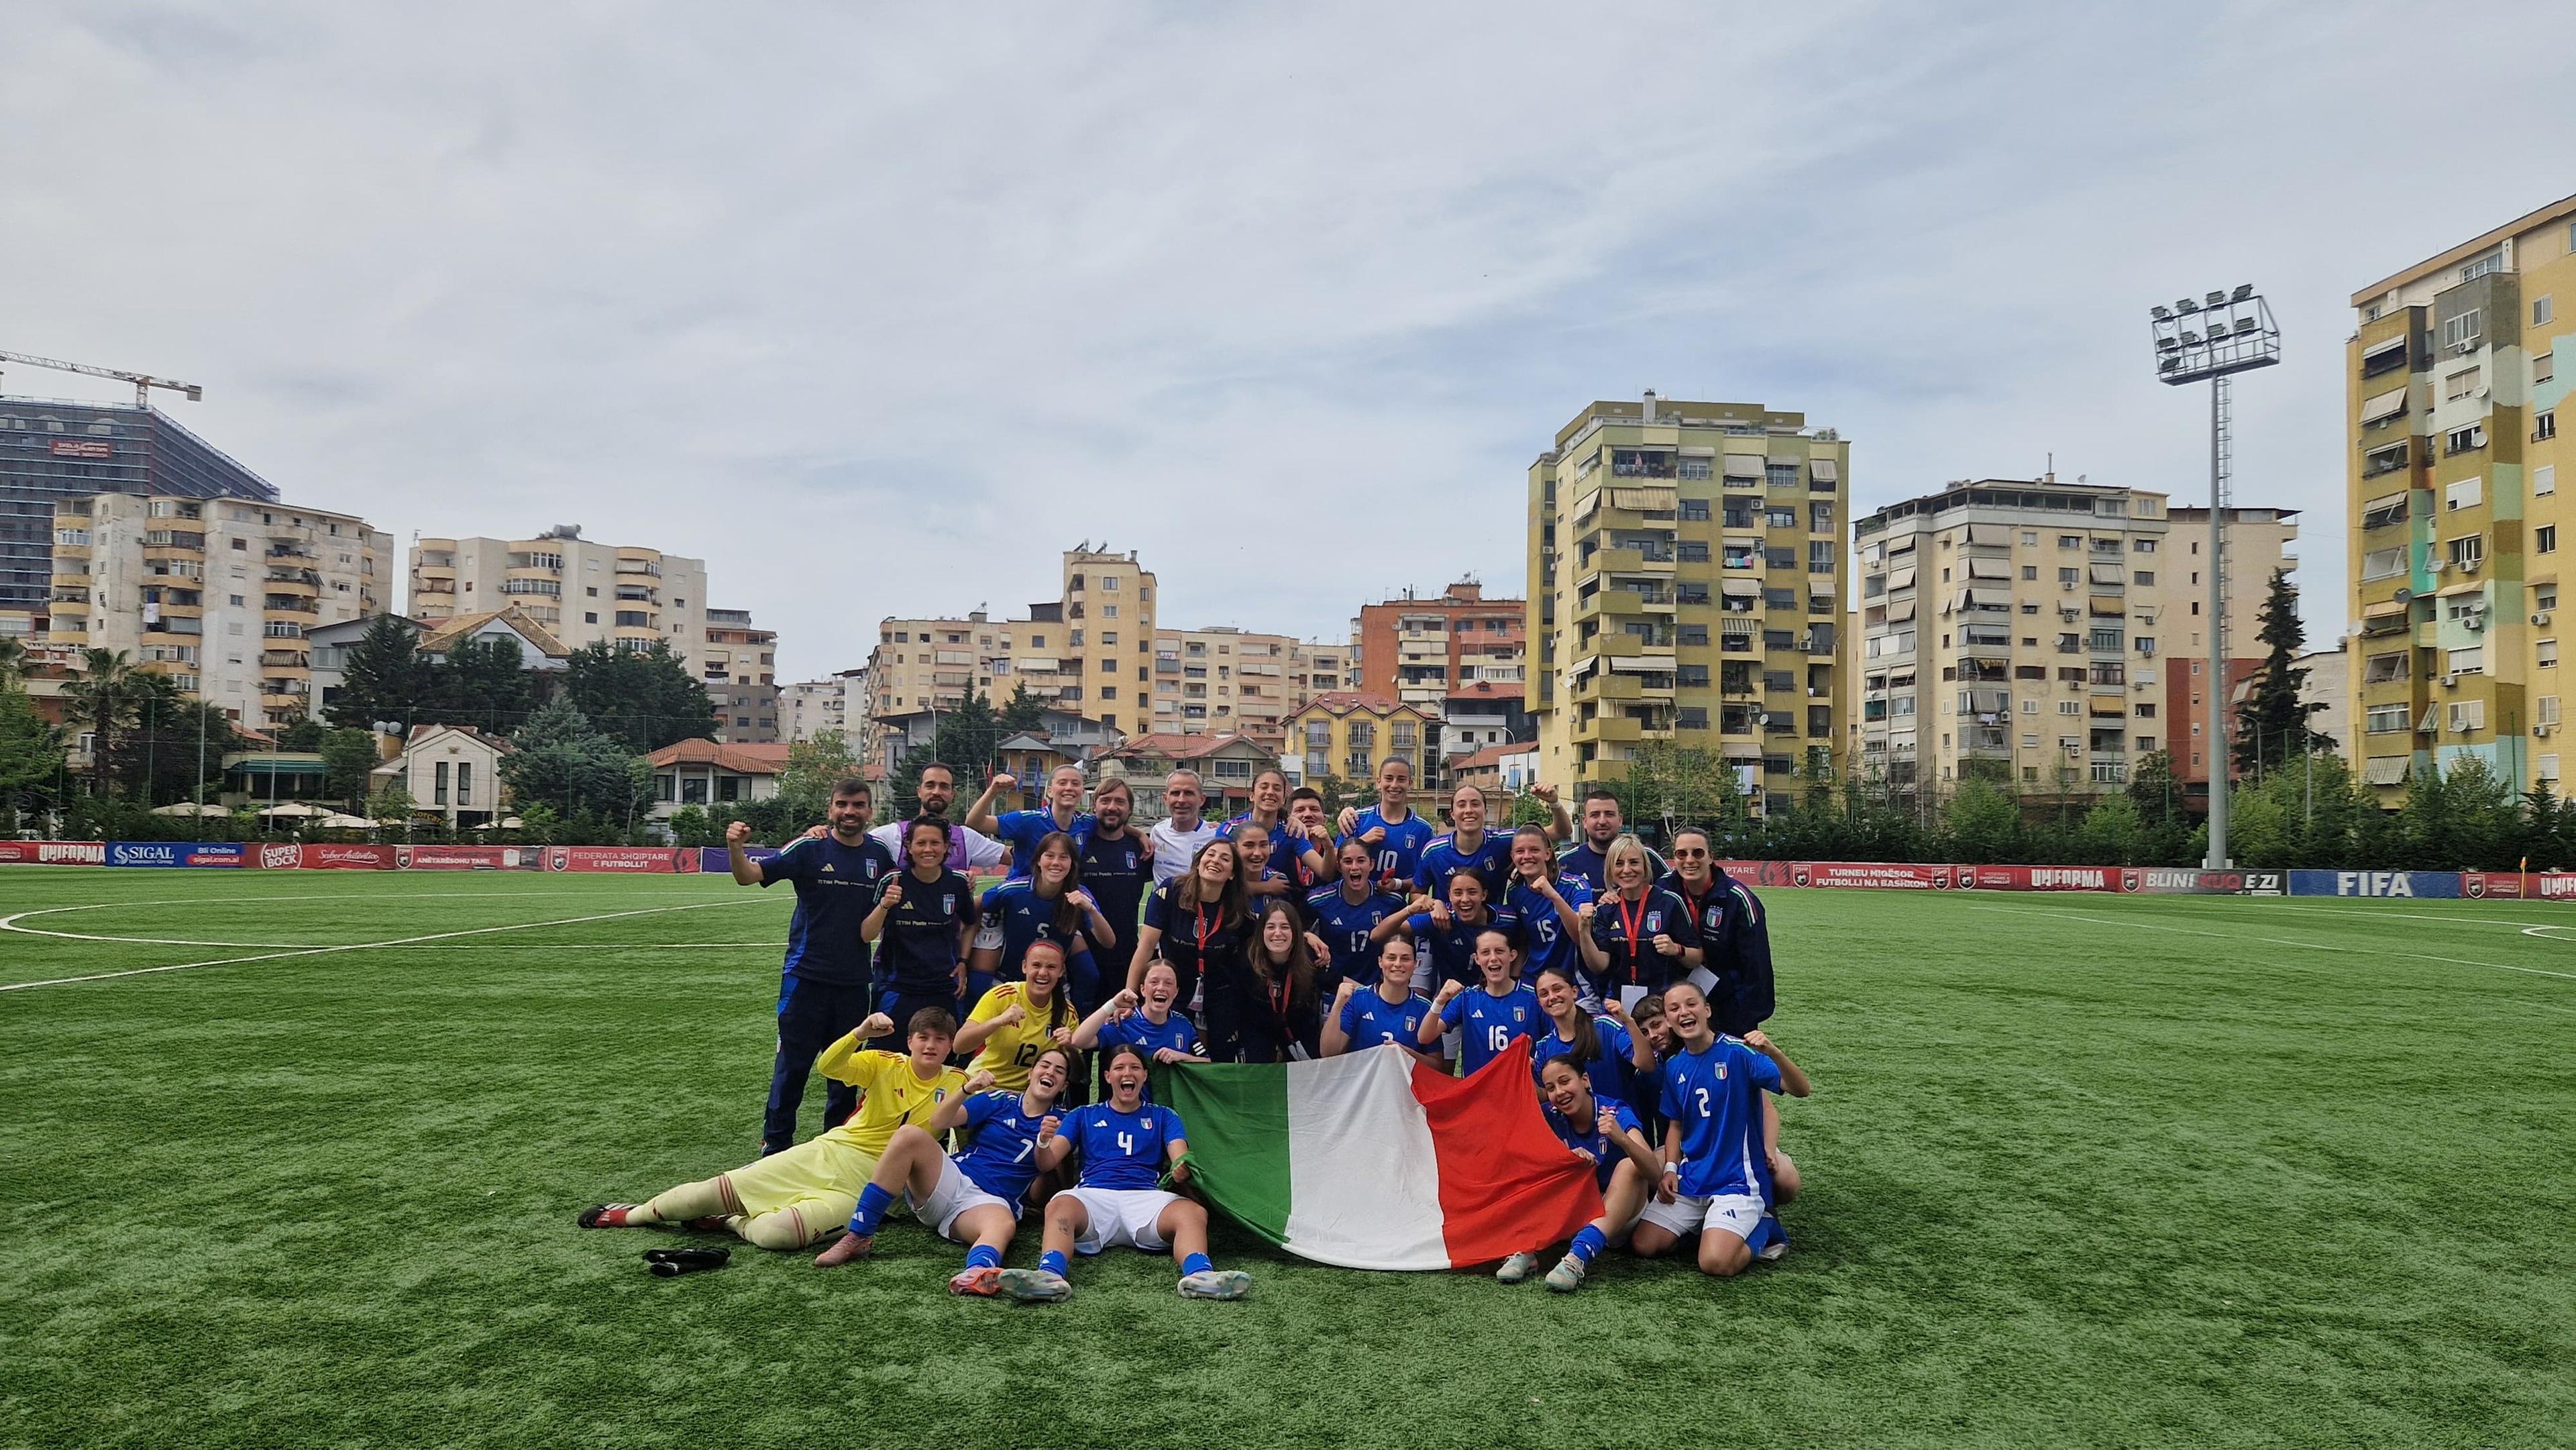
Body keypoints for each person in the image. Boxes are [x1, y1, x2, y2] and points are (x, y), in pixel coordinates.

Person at [577, 1006, 966, 1250]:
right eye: (923, 1037)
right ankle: (632, 1215)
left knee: (780, 1235)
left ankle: (728, 1222)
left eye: (940, 1039)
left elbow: (947, 1126)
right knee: (706, 1194)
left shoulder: (958, 1082)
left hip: (870, 1187)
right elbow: (829, 1068)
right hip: (831, 1153)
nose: (930, 1046)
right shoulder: (884, 1062)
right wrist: (859, 1033)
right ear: (911, 1041)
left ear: (950, 1045)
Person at [994, 1043, 1251, 1302]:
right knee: (1059, 1205)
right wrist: (1043, 1141)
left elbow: (1179, 1156)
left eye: (1135, 1068)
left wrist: (1181, 1168)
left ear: (1145, 1076)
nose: (1127, 1073)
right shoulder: (1083, 1114)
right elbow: (1046, 1163)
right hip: (1094, 1196)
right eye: (1119, 1068)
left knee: (1193, 1212)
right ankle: (1049, 1275)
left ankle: (1200, 1276)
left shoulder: (1163, 1115)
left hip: (1145, 1197)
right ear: (1107, 1077)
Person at [811, 1046, 1073, 1292]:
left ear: (1064, 1085)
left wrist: (1043, 1140)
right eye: (1045, 1066)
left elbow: (1045, 1165)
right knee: (908, 1135)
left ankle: (977, 1273)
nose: (1050, 1072)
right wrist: (966, 1090)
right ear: (1031, 1073)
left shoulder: (1063, 1119)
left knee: (1003, 1223)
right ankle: (858, 1236)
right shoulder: (999, 1099)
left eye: (1059, 1071)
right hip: (952, 1179)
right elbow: (940, 1120)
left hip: (990, 1202)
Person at [724, 780, 895, 1156]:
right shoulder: (808, 848)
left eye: (858, 805)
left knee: (845, 1076)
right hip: (805, 980)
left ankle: (836, 1151)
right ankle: (775, 1150)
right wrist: (736, 847)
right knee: (792, 1069)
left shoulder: (881, 856)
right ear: (830, 808)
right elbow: (747, 877)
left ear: (870, 811)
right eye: (842, 804)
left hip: (854, 984)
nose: (850, 812)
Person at [1629, 982, 1809, 1278]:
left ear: (1707, 1010)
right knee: (1644, 1245)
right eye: (1674, 1009)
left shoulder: (1738, 1053)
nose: (1683, 1012)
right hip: (1694, 1177)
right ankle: (1711, 1226)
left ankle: (1766, 1224)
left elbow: (1801, 1090)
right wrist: (1671, 1168)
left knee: (1715, 1263)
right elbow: (1675, 1125)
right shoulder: (1675, 1067)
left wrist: (1773, 1052)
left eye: (1691, 1004)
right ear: (1671, 1021)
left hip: (1736, 1181)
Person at [1496, 1053, 1664, 1293]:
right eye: (1551, 1088)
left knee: (1628, 1166)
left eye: (1565, 1082)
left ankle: (1578, 1257)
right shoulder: (1550, 1116)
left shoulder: (1614, 1111)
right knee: (1538, 1163)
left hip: (1622, 1213)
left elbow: (1653, 1173)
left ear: (1584, 1079)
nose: (1560, 1092)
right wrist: (1565, 1159)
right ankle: (1526, 1249)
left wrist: (1622, 1139)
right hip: (1578, 1211)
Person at [865, 817, 979, 1039]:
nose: (928, 849)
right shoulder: (893, 880)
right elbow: (867, 934)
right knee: (886, 1055)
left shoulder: (956, 882)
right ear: (909, 846)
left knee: (942, 1053)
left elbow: (971, 924)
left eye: (935, 843)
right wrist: (885, 905)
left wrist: (964, 962)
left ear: (946, 846)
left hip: (943, 985)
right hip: (898, 986)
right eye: (921, 843)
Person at [971, 831, 1113, 1011]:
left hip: (1051, 982)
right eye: (1050, 856)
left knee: (1089, 976)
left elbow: (1109, 942)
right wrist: (963, 956)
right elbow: (973, 909)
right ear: (1038, 860)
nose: (1056, 863)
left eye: (1064, 857)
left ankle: (1079, 1018)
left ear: (1072, 864)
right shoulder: (1013, 890)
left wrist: (1091, 910)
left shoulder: (1080, 895)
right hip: (1010, 981)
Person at [1657, 827, 1776, 1038]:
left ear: (1711, 857)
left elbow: (1757, 964)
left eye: (1698, 853)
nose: (1689, 860)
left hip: (1728, 1004)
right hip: (1678, 1003)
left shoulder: (1738, 899)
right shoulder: (1663, 889)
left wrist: (1749, 1017)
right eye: (1681, 854)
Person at [1576, 835, 1699, 1009]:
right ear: (1610, 869)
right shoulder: (1606, 909)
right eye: (1619, 864)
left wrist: (1676, 949)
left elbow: (1697, 957)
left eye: (1634, 862)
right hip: (1620, 1004)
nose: (1627, 870)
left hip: (1664, 1004)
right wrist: (1583, 931)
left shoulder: (1669, 902)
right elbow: (1599, 965)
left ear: (1645, 866)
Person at [1128, 837, 1247, 1015]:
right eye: (1211, 854)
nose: (1215, 861)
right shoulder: (1171, 891)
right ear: (1198, 864)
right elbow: (1146, 947)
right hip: (1174, 989)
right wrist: (1129, 994)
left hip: (1218, 991)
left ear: (1232, 873)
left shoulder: (1238, 906)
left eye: (1225, 858)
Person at [955, 938, 1081, 1093]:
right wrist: (998, 1022)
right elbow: (959, 1046)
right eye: (1036, 965)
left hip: (1029, 1099)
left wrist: (1070, 1047)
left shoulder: (1067, 1012)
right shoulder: (1003, 996)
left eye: (1051, 967)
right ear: (1024, 967)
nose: (1043, 973)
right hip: (984, 1088)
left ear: (1061, 971)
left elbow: (1077, 1075)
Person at [1419, 929, 1540, 1076]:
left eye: (1500, 951)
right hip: (1479, 1093)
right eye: (1486, 953)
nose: (1493, 958)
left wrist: (1537, 1062)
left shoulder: (1533, 998)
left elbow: (1553, 1040)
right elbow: (1425, 1037)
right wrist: (1440, 1001)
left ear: (1512, 955)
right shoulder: (1467, 998)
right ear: (1477, 959)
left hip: (1520, 1088)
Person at [1529, 965, 1652, 1104]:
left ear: (1574, 992)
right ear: (1539, 1003)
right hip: (1575, 1125)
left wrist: (1629, 1022)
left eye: (1557, 989)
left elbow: (1647, 1065)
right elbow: (1544, 1096)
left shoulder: (1606, 1026)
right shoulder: (1544, 1047)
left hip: (1620, 1122)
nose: (1552, 997)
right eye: (1544, 994)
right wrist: (1525, 1071)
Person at [1073, 778, 1152, 993]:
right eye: (1105, 800)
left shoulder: (1141, 849)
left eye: (1120, 802)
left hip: (1126, 957)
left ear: (1129, 809)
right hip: (1079, 955)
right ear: (1094, 805)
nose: (1112, 807)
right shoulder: (1077, 844)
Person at [1387, 869, 1521, 991]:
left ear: (1484, 895)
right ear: (1450, 896)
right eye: (1458, 893)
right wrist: (1410, 909)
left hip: (1491, 993)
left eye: (1472, 892)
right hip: (1450, 993)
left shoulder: (1507, 919)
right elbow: (1378, 934)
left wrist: (1514, 977)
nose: (1465, 899)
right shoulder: (1441, 917)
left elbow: (1523, 943)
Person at [1306, 838, 1411, 994]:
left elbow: (1407, 943)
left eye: (1361, 860)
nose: (1355, 867)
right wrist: (1307, 934)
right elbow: (1296, 930)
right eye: (1348, 861)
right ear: (1338, 866)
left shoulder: (1392, 902)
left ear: (1372, 864)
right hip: (1334, 992)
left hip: (1377, 993)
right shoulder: (1318, 900)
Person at [867, 761, 1008, 876]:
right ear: (919, 791)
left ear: (953, 794)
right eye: (930, 785)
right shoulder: (891, 835)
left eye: (944, 787)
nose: (936, 792)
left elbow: (1015, 856)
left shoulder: (965, 837)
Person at [1224, 899, 1324, 1062]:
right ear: (1261, 931)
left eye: (1285, 927)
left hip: (1298, 1026)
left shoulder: (1311, 956)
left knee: (1311, 1069)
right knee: (1253, 1070)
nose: (1278, 933)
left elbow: (1337, 981)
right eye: (1271, 927)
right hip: (1257, 1027)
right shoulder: (1246, 959)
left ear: (1296, 932)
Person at [1073, 964, 1207, 1081]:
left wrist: (1182, 1058)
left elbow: (1208, 1064)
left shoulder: (1183, 1025)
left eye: (1168, 983)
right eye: (1154, 982)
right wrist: (1112, 1004)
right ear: (1142, 989)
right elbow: (1079, 1041)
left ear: (1176, 992)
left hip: (1168, 1107)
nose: (1161, 988)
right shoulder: (1124, 1022)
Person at [1505, 824, 1593, 991]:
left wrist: (1553, 895)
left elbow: (1580, 936)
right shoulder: (1515, 892)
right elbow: (1523, 939)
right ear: (1512, 856)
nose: (1527, 856)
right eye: (1520, 851)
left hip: (1572, 981)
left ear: (1547, 854)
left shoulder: (1576, 886)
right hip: (1531, 980)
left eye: (1534, 850)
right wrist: (1514, 978)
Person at [967, 765, 1094, 880]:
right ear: (1050, 791)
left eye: (1076, 784)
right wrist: (992, 791)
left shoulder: (1088, 823)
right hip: (1021, 896)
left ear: (1082, 792)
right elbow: (975, 822)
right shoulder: (1028, 820)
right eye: (1062, 783)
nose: (1069, 788)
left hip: (1061, 898)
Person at [1322, 938, 1436, 1063]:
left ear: (1415, 964)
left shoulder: (1424, 1009)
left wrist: (1405, 1054)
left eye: (1405, 959)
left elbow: (1437, 1066)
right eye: (1391, 958)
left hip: (1404, 1081)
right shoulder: (1359, 999)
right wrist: (1338, 1006)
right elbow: (1328, 1053)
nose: (1398, 964)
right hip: (1362, 1080)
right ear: (1380, 962)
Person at [1336, 756, 1436, 888]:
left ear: (1410, 783)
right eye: (1389, 778)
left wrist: (1397, 884)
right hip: (1353, 904)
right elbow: (1333, 863)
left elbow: (1426, 877)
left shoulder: (1423, 830)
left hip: (1397, 906)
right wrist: (1361, 842)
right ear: (1379, 782)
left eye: (1401, 779)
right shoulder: (1356, 819)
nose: (1394, 785)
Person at [1415, 783, 1513, 902]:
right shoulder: (1434, 851)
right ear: (1452, 814)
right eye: (1462, 805)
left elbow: (1539, 837)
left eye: (1475, 804)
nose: (1469, 810)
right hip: (1447, 920)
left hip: (1490, 920)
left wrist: (1542, 797)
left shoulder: (1504, 841)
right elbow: (1416, 893)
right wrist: (1434, 906)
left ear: (1485, 812)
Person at [1557, 788, 1664, 894]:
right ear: (1585, 821)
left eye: (1609, 814)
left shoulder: (1647, 857)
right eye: (1595, 815)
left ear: (1620, 820)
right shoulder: (1566, 863)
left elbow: (1671, 900)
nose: (1602, 821)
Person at [1147, 769, 1222, 886]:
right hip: (1161, 904)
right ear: (1165, 799)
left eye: (1188, 793)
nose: (1181, 800)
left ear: (1202, 799)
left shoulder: (1215, 836)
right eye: (1175, 793)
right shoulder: (1158, 832)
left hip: (1197, 904)